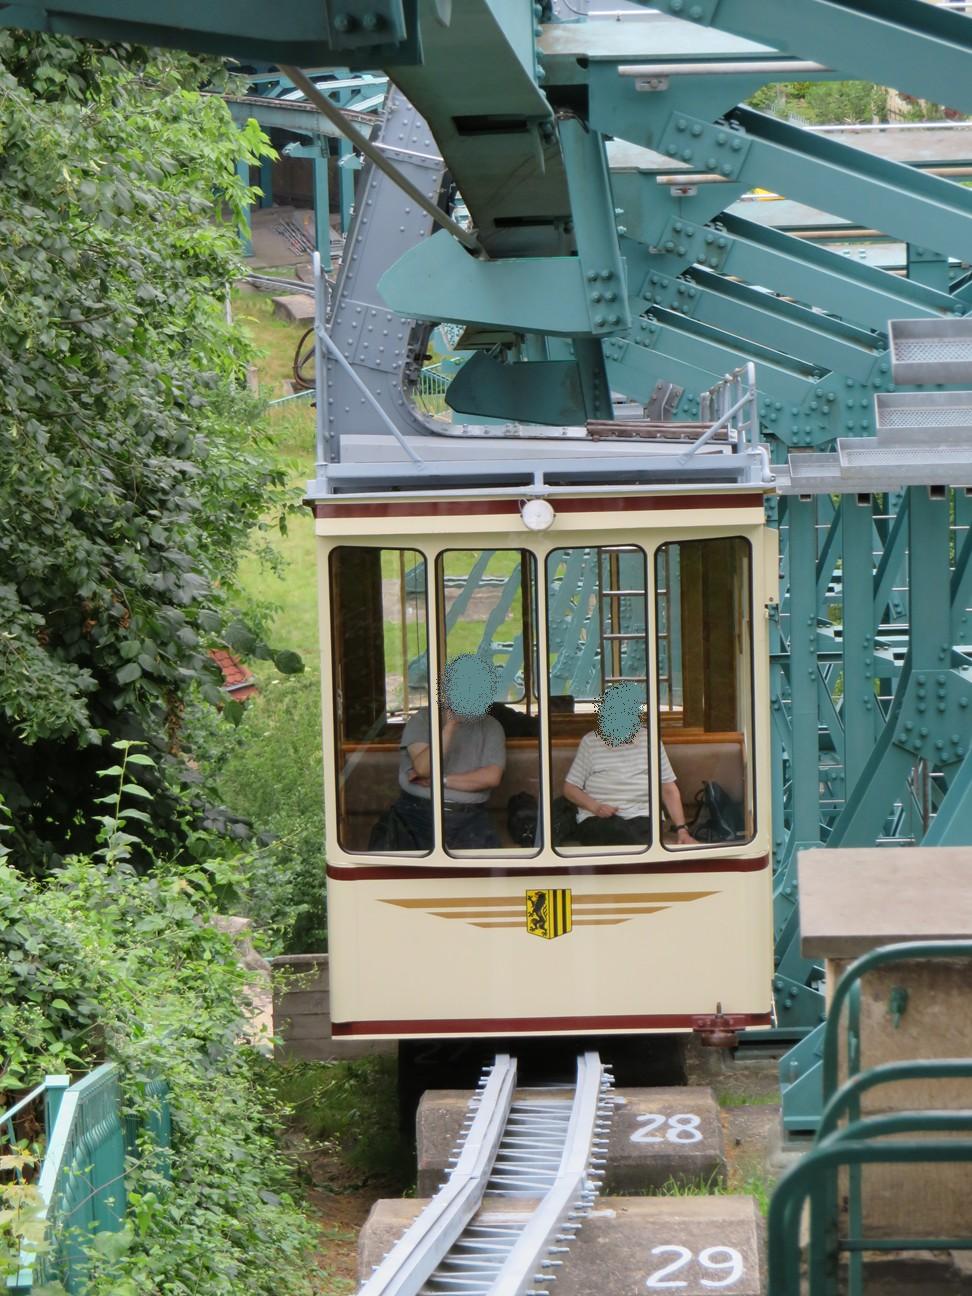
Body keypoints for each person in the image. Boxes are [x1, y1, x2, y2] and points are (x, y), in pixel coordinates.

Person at [393, 653, 506, 850]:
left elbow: (491, 777)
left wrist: (440, 781)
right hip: (417, 811)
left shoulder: (492, 726)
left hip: (469, 816)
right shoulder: (422, 719)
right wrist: (451, 725)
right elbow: (423, 769)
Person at [563, 681, 695, 847]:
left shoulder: (650, 739)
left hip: (643, 817)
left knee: (631, 833)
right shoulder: (590, 742)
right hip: (597, 818)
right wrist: (596, 807)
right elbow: (570, 788)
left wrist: (682, 830)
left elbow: (668, 787)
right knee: (615, 830)